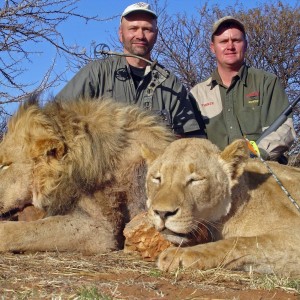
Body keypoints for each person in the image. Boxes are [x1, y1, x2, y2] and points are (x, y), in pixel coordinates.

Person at [56, 2, 204, 137]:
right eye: (133, 28)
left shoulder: (170, 83)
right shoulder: (96, 73)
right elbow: (56, 115)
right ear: (121, 34)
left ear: (156, 35)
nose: (140, 35)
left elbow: (191, 137)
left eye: (147, 29)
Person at [190, 16, 296, 162]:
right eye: (223, 41)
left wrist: (257, 155)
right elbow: (194, 143)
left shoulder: (267, 82)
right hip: (220, 176)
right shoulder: (197, 94)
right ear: (213, 47)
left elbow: (285, 129)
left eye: (236, 41)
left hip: (263, 171)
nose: (230, 46)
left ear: (245, 45)